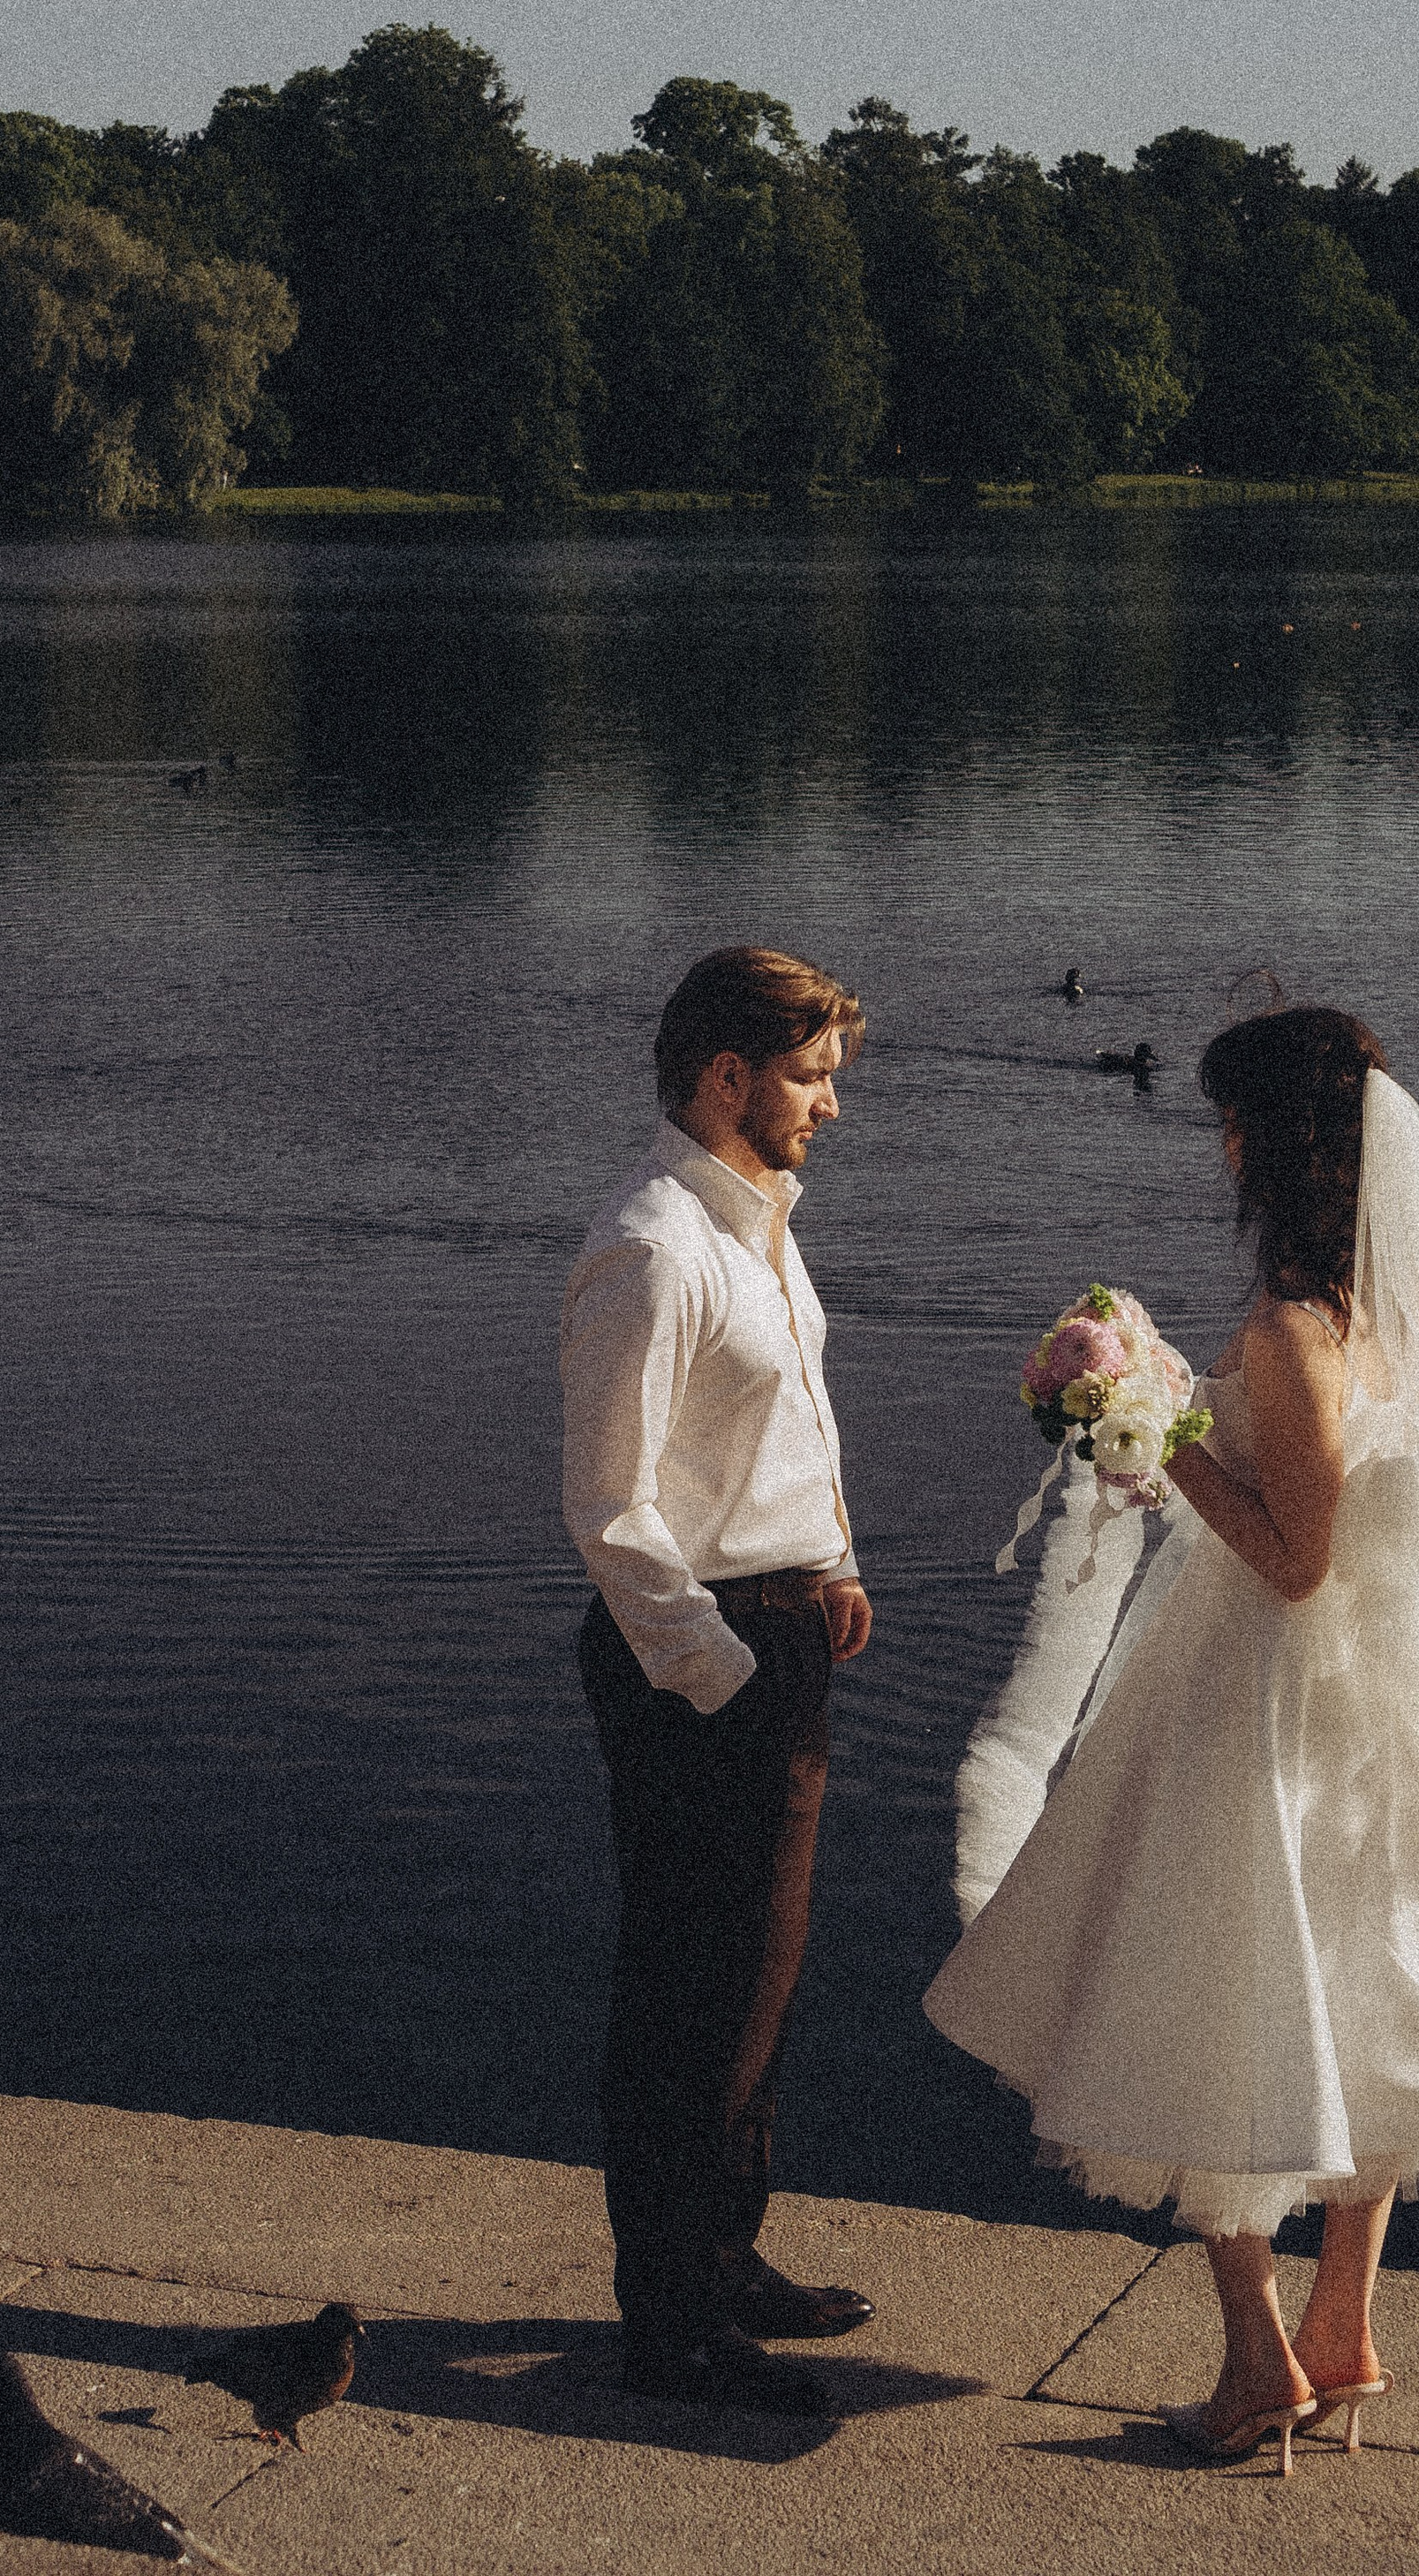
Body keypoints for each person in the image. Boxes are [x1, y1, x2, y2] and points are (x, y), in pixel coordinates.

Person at [925, 1005, 1419, 2473]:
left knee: (1214, 1989)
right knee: (1368, 1986)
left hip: (1260, 1696)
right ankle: (1341, 2330)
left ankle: (1260, 2362)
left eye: (1229, 1123)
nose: (1222, 1148)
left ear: (1269, 1145)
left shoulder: (1289, 1331)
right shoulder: (1404, 1314)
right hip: (1382, 1703)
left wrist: (1152, 1430)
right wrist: (1182, 1403)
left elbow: (1295, 1557)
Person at [562, 945, 877, 2414]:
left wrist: (833, 1562)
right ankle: (670, 2323)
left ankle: (726, 2257)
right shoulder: (654, 1248)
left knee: (762, 1974)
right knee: (687, 1992)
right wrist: (721, 1670)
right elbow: (610, 1507)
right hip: (697, 1652)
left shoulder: (759, 1224)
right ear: (725, 1075)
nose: (829, 1105)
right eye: (808, 1078)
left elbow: (787, 1413)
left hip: (777, 1624)